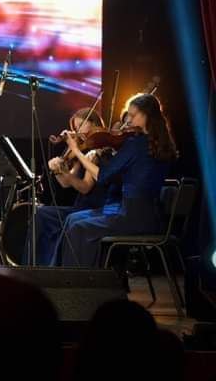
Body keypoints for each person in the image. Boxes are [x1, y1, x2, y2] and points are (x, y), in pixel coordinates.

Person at [55, 92, 177, 267]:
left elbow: (103, 176)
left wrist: (76, 151)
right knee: (73, 219)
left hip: (133, 218)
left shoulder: (136, 144)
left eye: (133, 116)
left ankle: (79, 280)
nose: (129, 121)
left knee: (78, 227)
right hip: (151, 216)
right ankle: (77, 275)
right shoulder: (160, 143)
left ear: (147, 116)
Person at [31, 109, 113, 265]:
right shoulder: (83, 152)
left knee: (49, 216)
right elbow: (66, 183)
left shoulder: (97, 153)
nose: (77, 131)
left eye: (81, 125)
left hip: (92, 208)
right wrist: (57, 171)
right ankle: (35, 265)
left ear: (95, 124)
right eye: (76, 127)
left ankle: (54, 266)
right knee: (40, 213)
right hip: (79, 206)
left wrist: (74, 152)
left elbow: (85, 187)